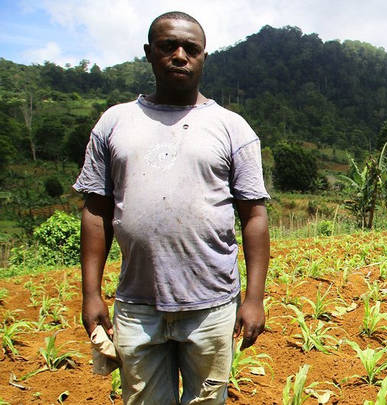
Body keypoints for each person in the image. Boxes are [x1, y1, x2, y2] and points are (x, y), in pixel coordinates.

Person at [75, 11, 269, 404]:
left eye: (190, 49)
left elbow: (254, 216)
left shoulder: (233, 128)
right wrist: (90, 293)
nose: (180, 55)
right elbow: (96, 210)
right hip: (137, 304)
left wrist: (254, 298)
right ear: (150, 53)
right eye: (168, 47)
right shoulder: (115, 122)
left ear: (203, 57)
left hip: (212, 304)